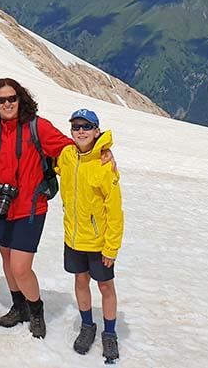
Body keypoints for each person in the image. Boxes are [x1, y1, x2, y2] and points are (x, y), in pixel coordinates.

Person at [0, 78, 75, 339]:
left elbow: (68, 148)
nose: (7, 103)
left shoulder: (37, 127)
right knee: (7, 259)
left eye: (12, 98)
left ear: (21, 99)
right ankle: (18, 306)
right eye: (1, 100)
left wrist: (101, 151)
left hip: (29, 208)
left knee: (20, 266)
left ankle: (35, 310)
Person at [57, 109, 123, 364]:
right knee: (80, 281)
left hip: (98, 242)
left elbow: (115, 211)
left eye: (87, 126)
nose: (81, 131)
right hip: (73, 238)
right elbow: (54, 163)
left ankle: (109, 332)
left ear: (97, 131)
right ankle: (87, 325)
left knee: (106, 286)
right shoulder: (67, 155)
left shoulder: (105, 165)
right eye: (76, 127)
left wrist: (111, 247)